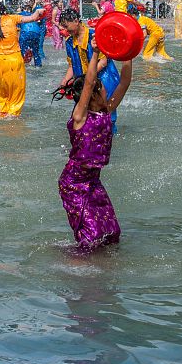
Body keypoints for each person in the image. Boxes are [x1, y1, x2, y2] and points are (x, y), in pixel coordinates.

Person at [57, 55, 134, 252]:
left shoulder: (107, 111)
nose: (106, 89)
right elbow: (89, 81)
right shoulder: (80, 117)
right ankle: (79, 268)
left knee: (111, 232)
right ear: (92, 93)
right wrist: (96, 53)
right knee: (90, 236)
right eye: (100, 87)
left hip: (93, 181)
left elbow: (125, 82)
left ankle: (100, 265)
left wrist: (128, 55)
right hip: (74, 184)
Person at [59, 9, 122, 133]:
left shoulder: (95, 36)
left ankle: (109, 137)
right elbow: (72, 65)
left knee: (107, 113)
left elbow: (103, 62)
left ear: (76, 21)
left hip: (104, 80)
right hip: (84, 83)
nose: (66, 30)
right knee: (82, 114)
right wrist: (65, 81)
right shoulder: (69, 42)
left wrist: (86, 77)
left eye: (67, 26)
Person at [0, 1, 43, 119]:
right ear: (5, 10)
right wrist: (39, 11)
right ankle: (13, 113)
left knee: (3, 87)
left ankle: (2, 110)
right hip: (14, 59)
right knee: (17, 88)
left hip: (0, 61)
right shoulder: (12, 18)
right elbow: (33, 18)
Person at [17, 0, 45, 67]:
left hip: (25, 32)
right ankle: (38, 66)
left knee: (22, 51)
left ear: (22, 9)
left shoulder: (19, 15)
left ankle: (21, 66)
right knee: (36, 52)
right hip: (36, 32)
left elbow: (17, 30)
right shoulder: (33, 15)